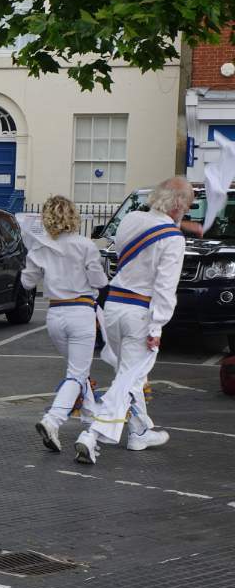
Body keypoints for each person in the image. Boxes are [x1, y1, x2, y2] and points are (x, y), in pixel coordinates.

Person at [73, 177, 192, 464]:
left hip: (114, 306)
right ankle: (93, 433)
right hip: (140, 312)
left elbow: (126, 250)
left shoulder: (131, 219)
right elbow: (165, 287)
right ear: (177, 205)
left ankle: (139, 432)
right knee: (128, 378)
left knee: (131, 375)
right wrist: (157, 326)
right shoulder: (173, 239)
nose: (188, 210)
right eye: (187, 204)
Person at [21, 196, 108, 452]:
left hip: (55, 315)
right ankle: (53, 420)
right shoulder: (85, 245)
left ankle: (92, 420)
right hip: (81, 311)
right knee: (77, 373)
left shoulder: (38, 248)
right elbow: (99, 282)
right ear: (73, 216)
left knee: (78, 371)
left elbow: (27, 282)